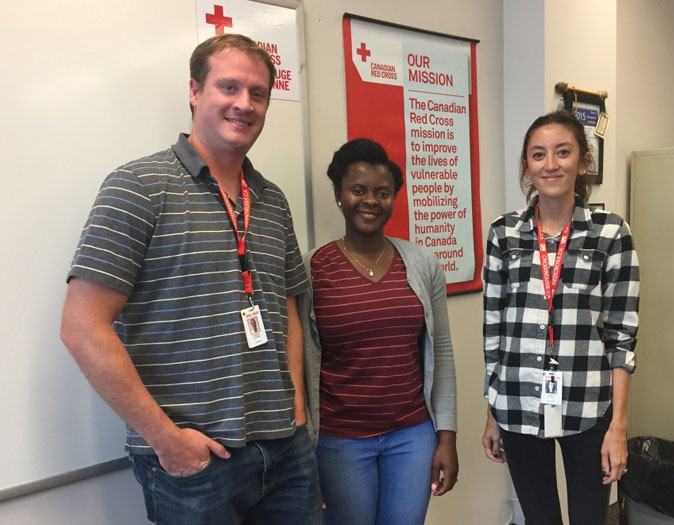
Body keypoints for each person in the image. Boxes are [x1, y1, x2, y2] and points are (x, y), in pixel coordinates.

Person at [60, 34, 321, 524]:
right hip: (194, 463)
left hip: (285, 452)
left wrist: (298, 413)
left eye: (258, 93)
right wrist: (165, 438)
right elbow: (81, 325)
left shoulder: (271, 200)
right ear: (195, 92)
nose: (244, 104)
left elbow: (287, 310)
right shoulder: (138, 186)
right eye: (229, 87)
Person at [481, 110, 640, 525]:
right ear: (527, 166)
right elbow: (494, 333)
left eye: (562, 152)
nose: (550, 164)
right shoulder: (504, 233)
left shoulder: (610, 233)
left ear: (583, 161)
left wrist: (618, 427)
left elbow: (622, 336)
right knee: (539, 518)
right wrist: (492, 412)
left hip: (588, 405)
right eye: (538, 155)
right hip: (516, 401)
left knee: (590, 518)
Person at [298, 139, 459, 525]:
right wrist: (302, 455)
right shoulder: (311, 271)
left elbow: (443, 353)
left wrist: (447, 438)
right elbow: (299, 368)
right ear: (339, 195)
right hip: (339, 442)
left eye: (382, 193)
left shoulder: (421, 264)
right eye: (358, 190)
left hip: (412, 438)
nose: (370, 200)